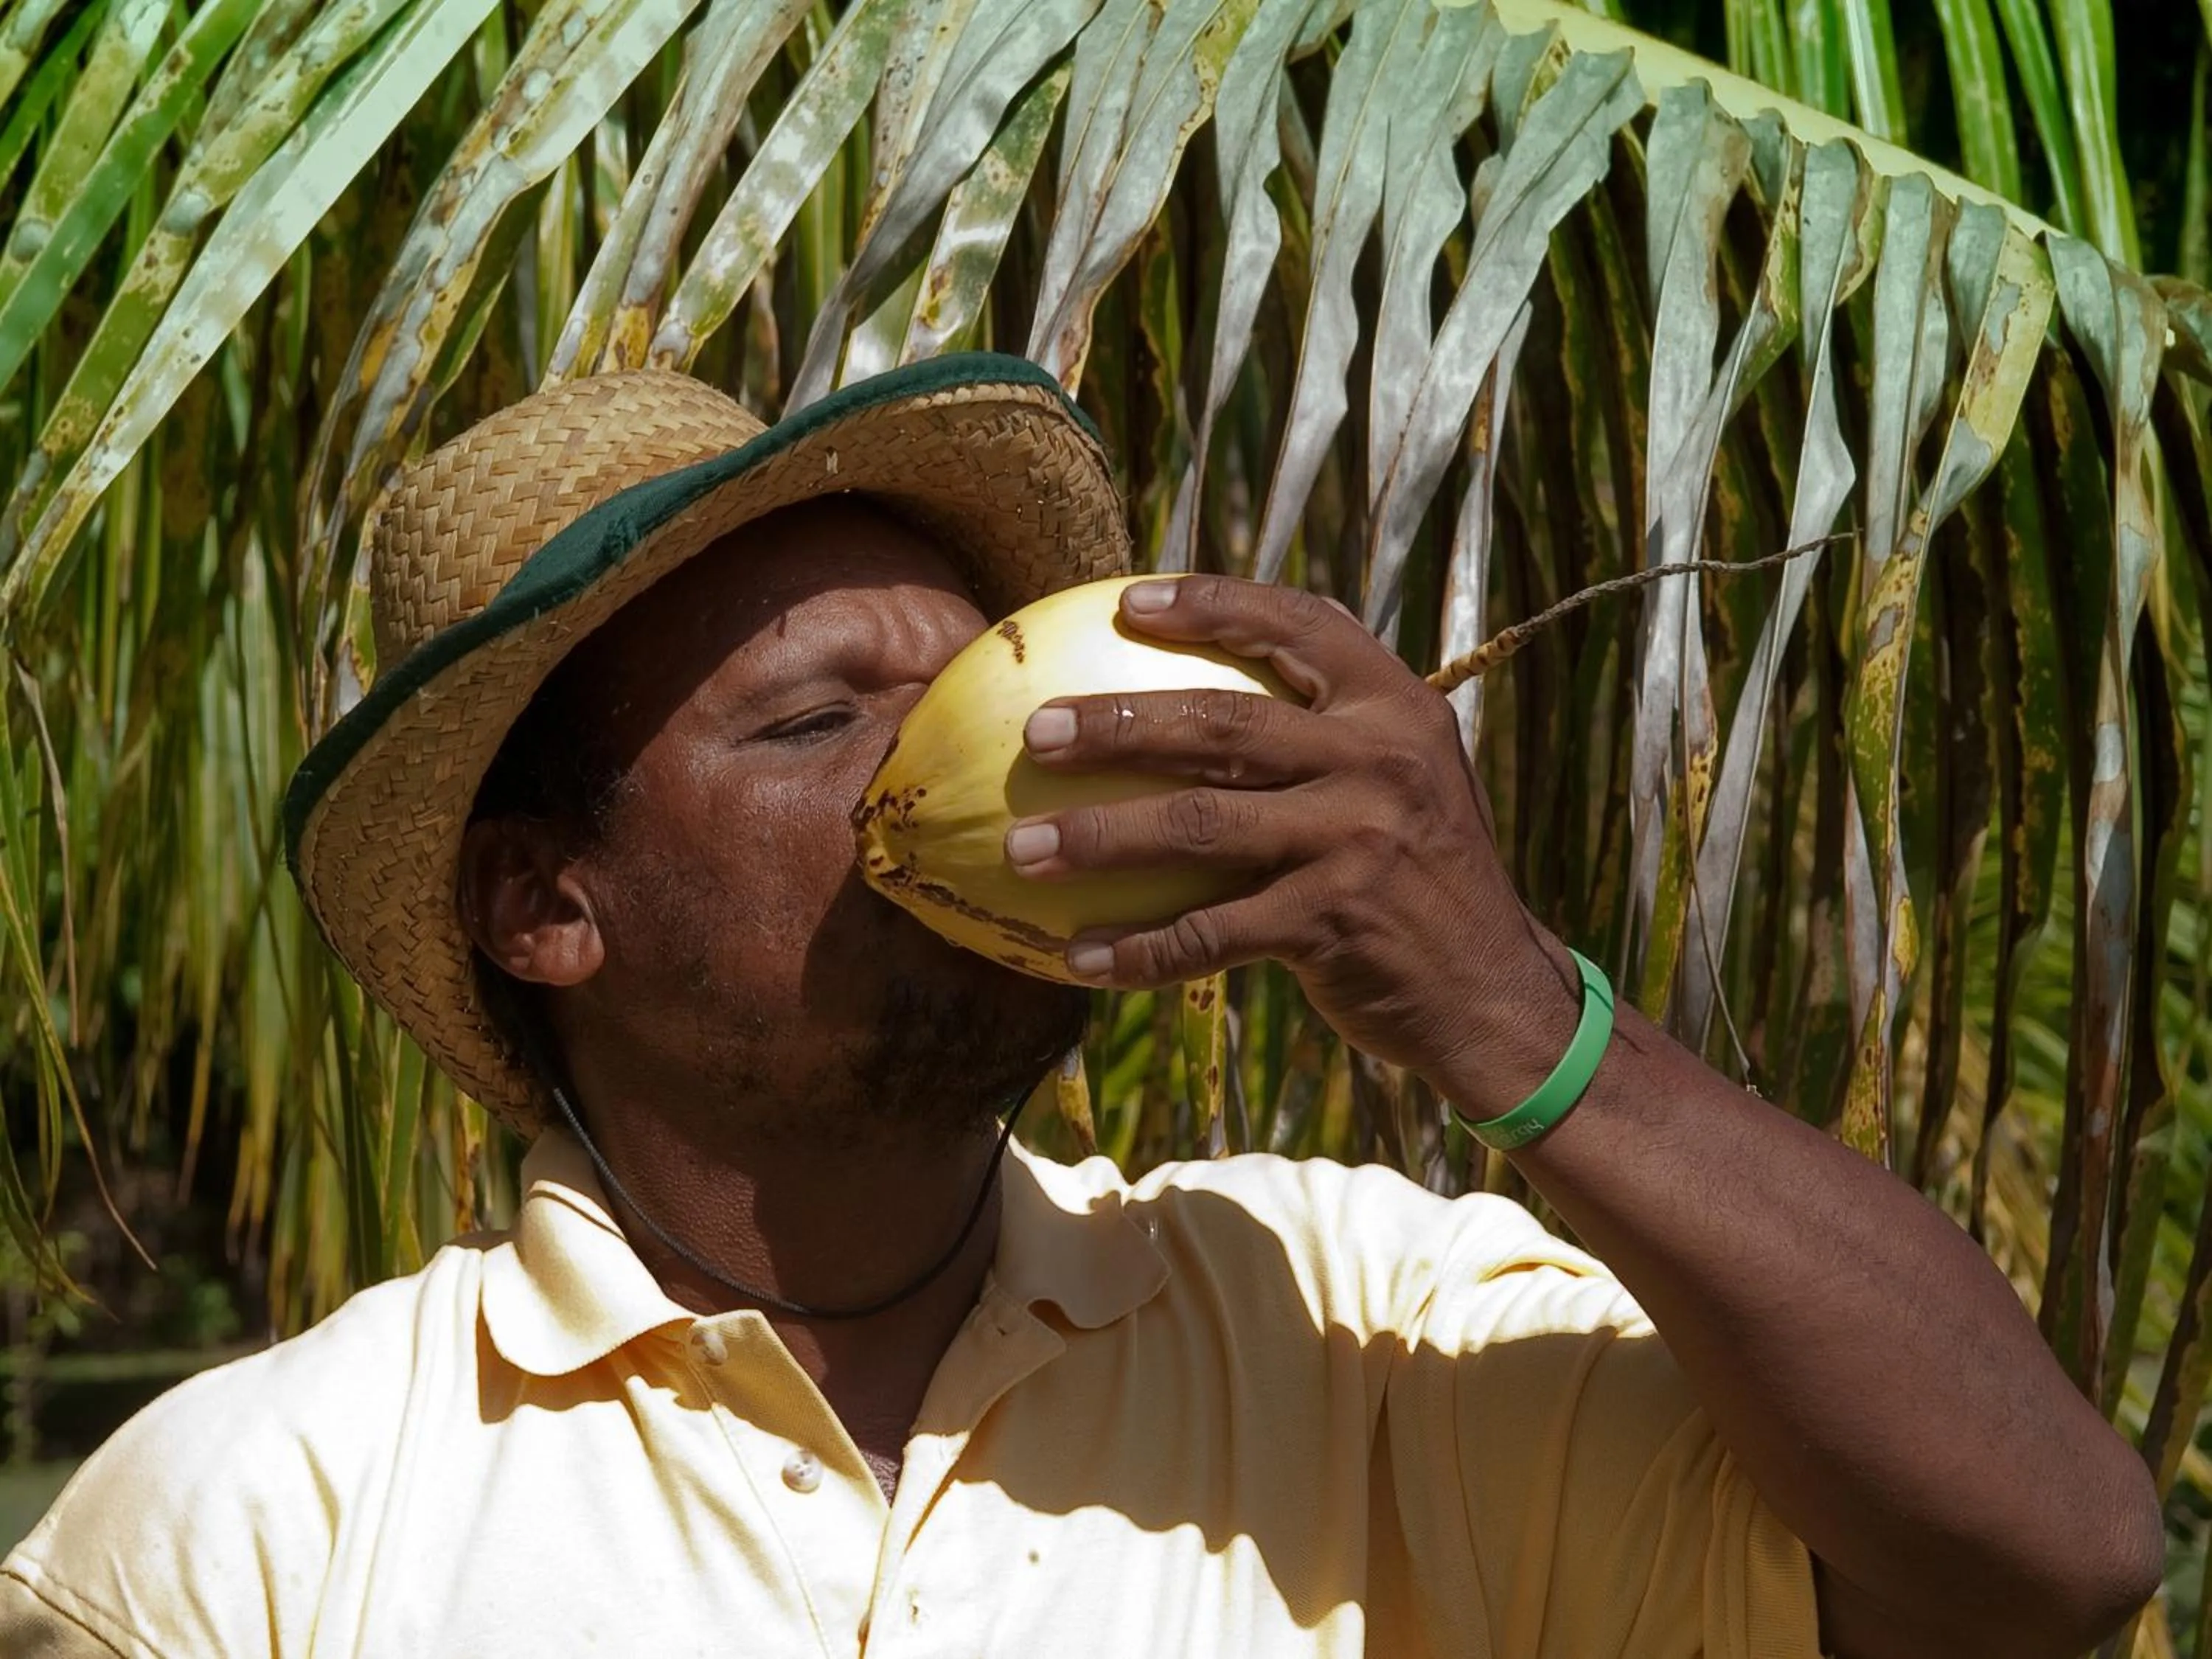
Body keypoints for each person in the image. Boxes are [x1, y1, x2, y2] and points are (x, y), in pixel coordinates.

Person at [0, 355, 2160, 1659]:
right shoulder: (253, 1527)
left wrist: (1517, 1019)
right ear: (547, 907)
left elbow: (2043, 1563)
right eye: (812, 721)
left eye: (961, 693)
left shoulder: (1363, 1333)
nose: (982, 762)